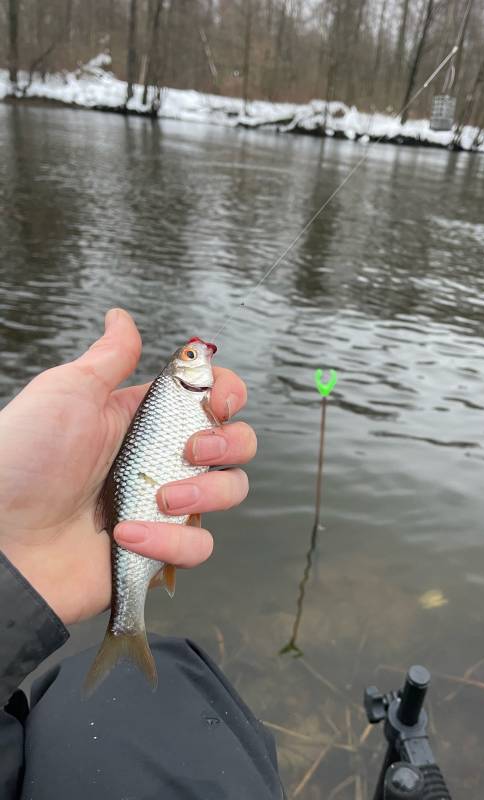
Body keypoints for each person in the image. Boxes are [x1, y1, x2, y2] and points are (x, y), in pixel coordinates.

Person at [0, 309, 284, 799]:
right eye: (191, 356)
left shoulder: (187, 398)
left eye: (194, 355)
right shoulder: (177, 394)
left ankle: (127, 626)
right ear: (183, 370)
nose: (199, 359)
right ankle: (126, 629)